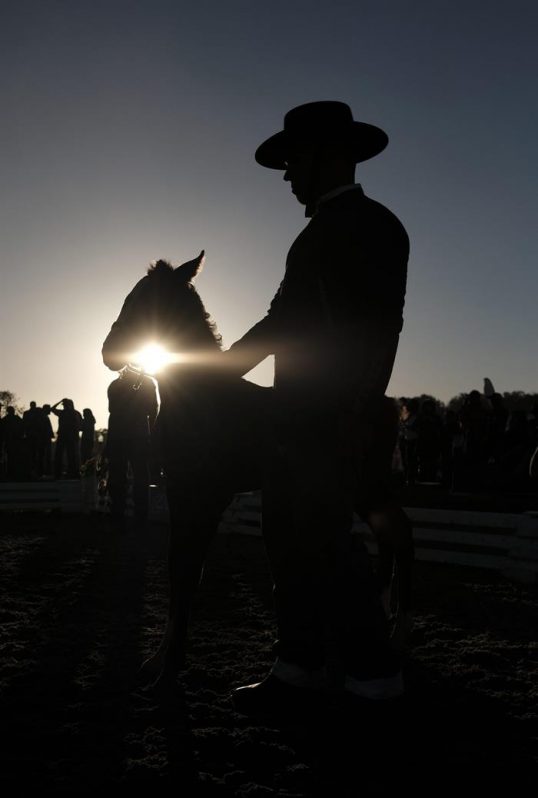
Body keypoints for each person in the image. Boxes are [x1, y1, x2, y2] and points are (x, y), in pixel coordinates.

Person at [224, 101, 409, 712]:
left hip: (327, 416)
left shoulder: (357, 229)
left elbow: (345, 328)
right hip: (302, 415)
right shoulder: (342, 229)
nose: (287, 174)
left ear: (330, 156)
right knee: (287, 537)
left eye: (293, 159)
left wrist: (216, 375)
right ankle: (298, 662)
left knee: (325, 540)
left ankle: (373, 675)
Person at [106, 368, 158, 526]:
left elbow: (112, 413)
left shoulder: (114, 385)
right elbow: (153, 410)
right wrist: (153, 436)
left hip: (120, 436)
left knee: (119, 477)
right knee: (140, 477)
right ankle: (140, 516)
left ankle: (118, 515)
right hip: (138, 436)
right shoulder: (147, 383)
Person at [51, 398, 83, 478]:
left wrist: (60, 401)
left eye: (65, 405)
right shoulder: (67, 413)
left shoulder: (69, 413)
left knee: (71, 455)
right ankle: (61, 472)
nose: (64, 406)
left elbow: (80, 426)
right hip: (65, 436)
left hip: (69, 436)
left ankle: (72, 472)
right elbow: (52, 409)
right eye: (64, 405)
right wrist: (61, 401)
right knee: (62, 454)